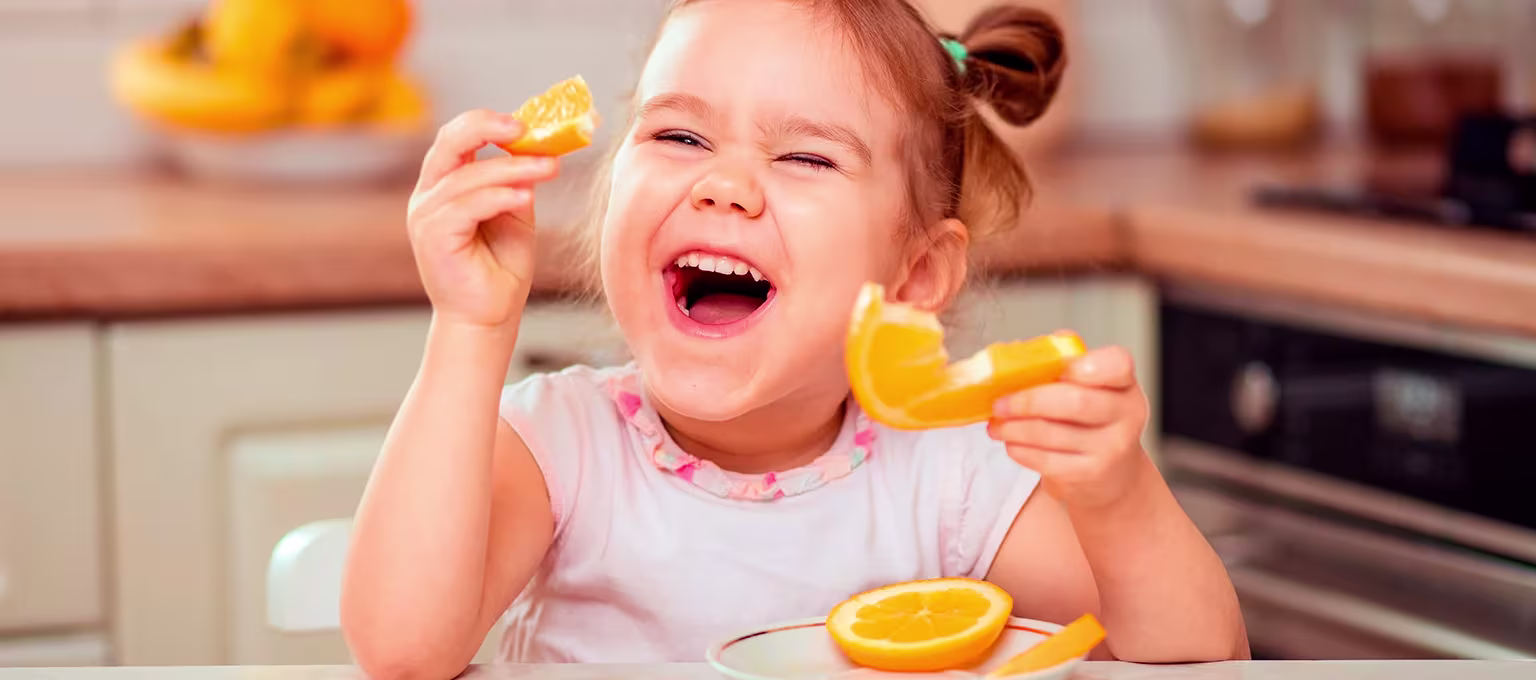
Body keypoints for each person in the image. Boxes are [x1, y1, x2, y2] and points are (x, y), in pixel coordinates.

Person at [340, 0, 1249, 677]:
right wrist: (470, 326)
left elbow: (1198, 659)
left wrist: (1119, 497)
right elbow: (403, 653)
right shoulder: (560, 445)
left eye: (806, 156)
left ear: (915, 276)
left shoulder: (953, 474)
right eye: (679, 135)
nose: (724, 185)